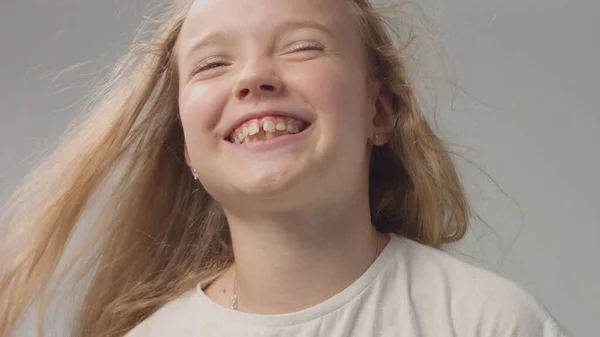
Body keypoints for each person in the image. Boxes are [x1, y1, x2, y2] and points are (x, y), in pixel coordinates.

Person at [0, 0, 570, 336]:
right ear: (189, 147)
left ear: (377, 112)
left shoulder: (488, 323)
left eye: (303, 47)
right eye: (214, 63)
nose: (253, 78)